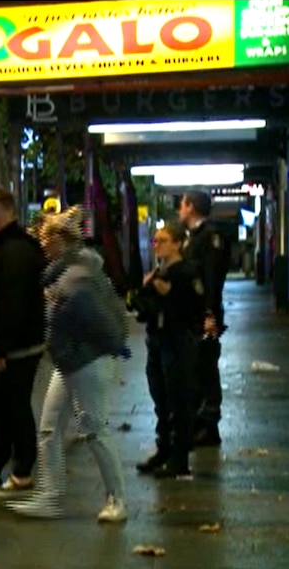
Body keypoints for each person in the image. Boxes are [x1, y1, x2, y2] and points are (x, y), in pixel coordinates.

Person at [8, 208, 129, 522]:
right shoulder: (71, 272)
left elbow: (99, 324)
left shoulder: (75, 277)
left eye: (47, 237)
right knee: (50, 427)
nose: (42, 243)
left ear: (63, 240)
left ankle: (117, 499)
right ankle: (49, 496)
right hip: (72, 359)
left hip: (84, 360)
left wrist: (101, 348)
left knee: (94, 430)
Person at [0, 186, 46, 495]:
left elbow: (12, 304)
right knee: (0, 407)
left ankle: (22, 471)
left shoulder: (12, 251)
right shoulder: (16, 246)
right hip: (16, 343)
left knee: (13, 407)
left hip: (15, 347)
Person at [133, 224, 205, 478]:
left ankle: (179, 458)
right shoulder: (157, 272)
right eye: (155, 241)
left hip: (178, 342)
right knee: (160, 399)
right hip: (157, 339)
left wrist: (169, 294)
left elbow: (194, 308)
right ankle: (164, 449)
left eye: (163, 240)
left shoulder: (187, 272)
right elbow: (143, 305)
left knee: (178, 400)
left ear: (177, 243)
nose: (157, 245)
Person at [178, 190, 230, 447]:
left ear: (191, 207)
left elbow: (212, 278)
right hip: (191, 315)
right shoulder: (194, 238)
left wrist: (210, 313)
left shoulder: (210, 237)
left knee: (205, 368)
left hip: (203, 316)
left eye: (182, 204)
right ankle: (198, 423)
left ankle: (209, 425)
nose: (179, 209)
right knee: (195, 368)